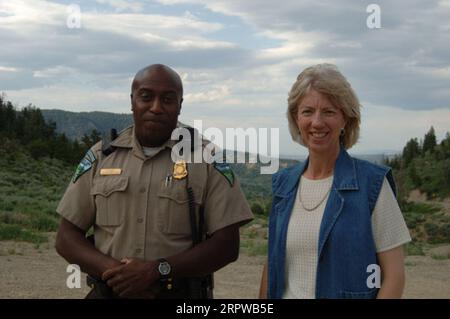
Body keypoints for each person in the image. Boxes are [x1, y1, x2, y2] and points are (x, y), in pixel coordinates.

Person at [55, 64, 253, 299]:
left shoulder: (205, 157)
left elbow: (227, 246)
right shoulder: (102, 156)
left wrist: (157, 271)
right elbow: (66, 238)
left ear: (180, 106)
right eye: (146, 97)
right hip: (110, 293)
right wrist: (119, 273)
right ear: (132, 101)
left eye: (168, 99)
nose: (156, 108)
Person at [259, 64, 411, 299]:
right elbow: (272, 266)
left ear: (346, 120)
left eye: (329, 112)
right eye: (307, 111)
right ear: (296, 118)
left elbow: (394, 276)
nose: (317, 122)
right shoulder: (283, 185)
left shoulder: (372, 184)